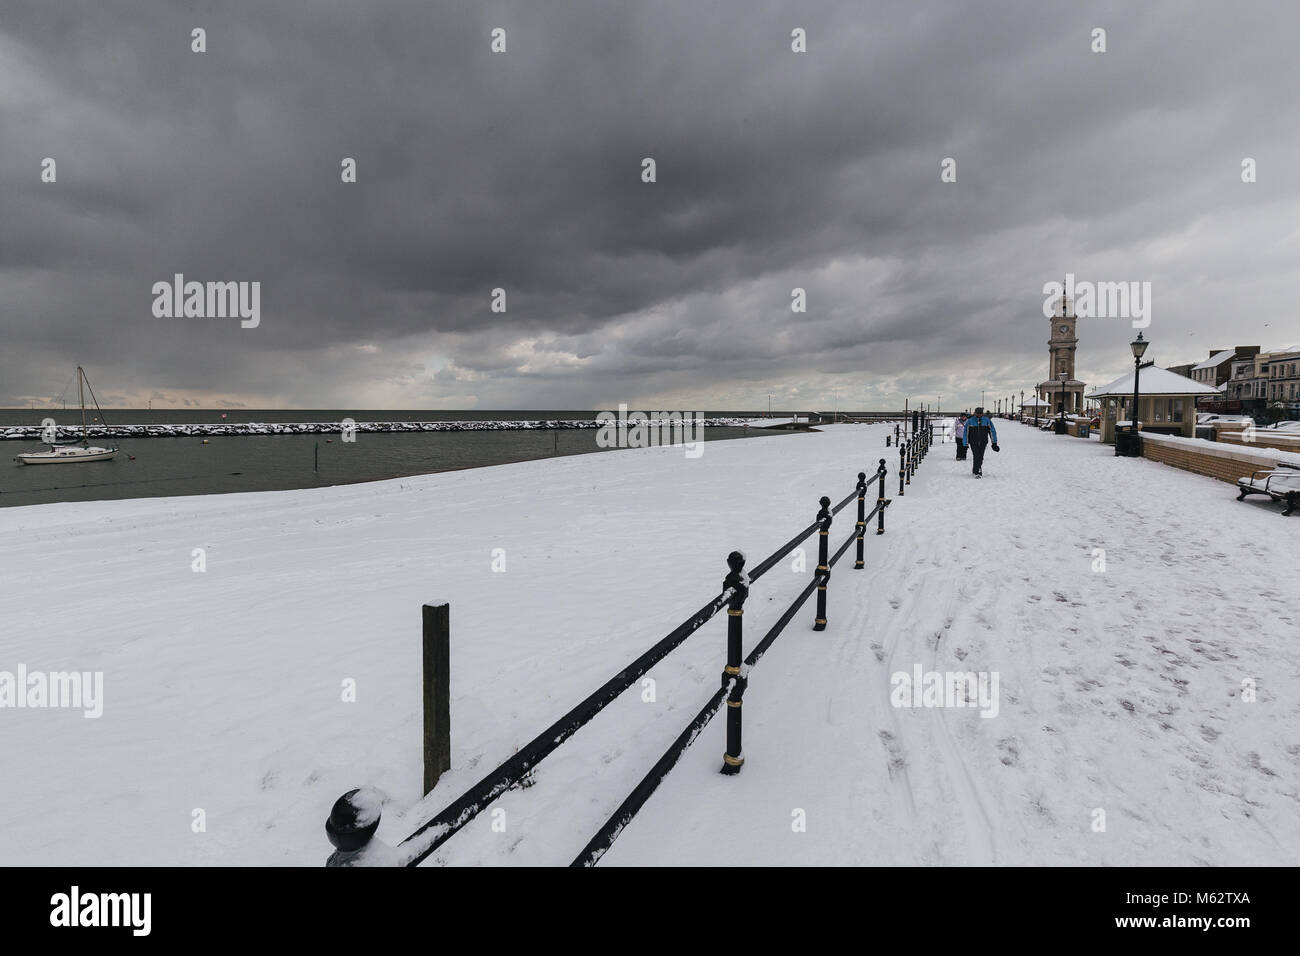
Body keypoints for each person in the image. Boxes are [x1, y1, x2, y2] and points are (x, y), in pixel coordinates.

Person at [964, 407, 999, 477]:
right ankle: (978, 471)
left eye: (981, 413)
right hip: (973, 442)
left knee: (980, 456)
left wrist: (994, 443)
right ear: (975, 413)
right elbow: (965, 433)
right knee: (977, 456)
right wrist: (965, 443)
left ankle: (975, 470)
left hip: (983, 442)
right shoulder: (970, 421)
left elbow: (992, 431)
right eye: (978, 413)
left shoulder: (987, 420)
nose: (979, 414)